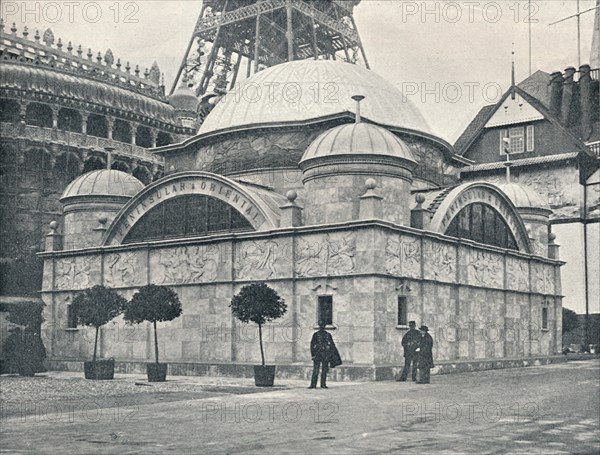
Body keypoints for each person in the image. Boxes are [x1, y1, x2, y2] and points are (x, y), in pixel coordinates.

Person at [309, 322, 337, 389]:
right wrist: (313, 354)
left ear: (324, 326)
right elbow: (312, 345)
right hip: (317, 354)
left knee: (324, 370)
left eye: (323, 326)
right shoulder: (315, 335)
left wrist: (331, 355)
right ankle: (313, 384)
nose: (322, 327)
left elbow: (332, 345)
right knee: (316, 370)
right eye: (321, 326)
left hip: (325, 354)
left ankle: (323, 384)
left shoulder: (328, 335)